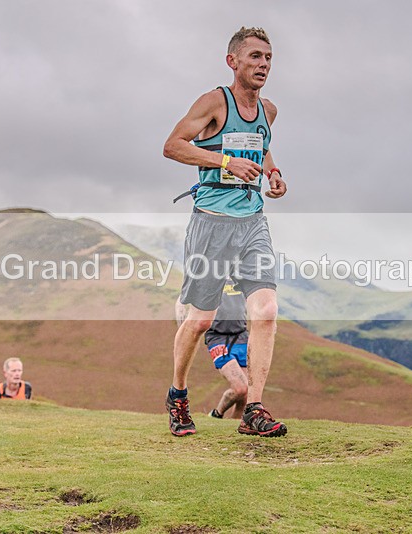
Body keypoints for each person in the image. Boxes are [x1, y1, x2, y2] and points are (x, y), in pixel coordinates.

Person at [163, 27, 287, 438]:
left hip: (252, 221)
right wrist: (224, 162)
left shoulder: (268, 110)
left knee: (266, 311)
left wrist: (272, 172)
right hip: (211, 223)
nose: (263, 64)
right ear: (232, 61)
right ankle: (178, 395)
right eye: (254, 57)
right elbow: (173, 145)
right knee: (200, 321)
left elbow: (262, 143)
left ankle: (253, 408)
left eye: (267, 57)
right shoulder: (214, 101)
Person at [176, 281, 249, 420]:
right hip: (218, 338)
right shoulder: (211, 271)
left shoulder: (241, 273)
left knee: (245, 395)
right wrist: (182, 322)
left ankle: (235, 429)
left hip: (241, 335)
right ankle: (216, 414)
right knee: (241, 388)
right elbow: (182, 297)